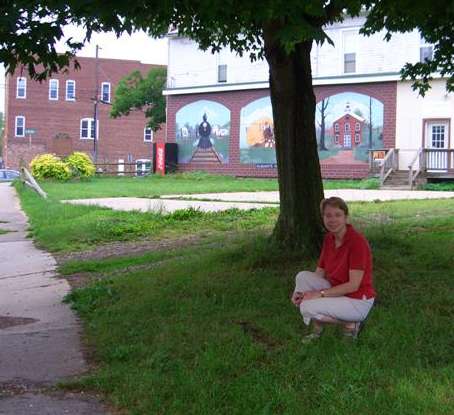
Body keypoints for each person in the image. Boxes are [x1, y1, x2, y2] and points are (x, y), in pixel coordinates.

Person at [291, 197, 376, 341]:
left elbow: (353, 285)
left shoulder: (357, 242)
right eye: (328, 215)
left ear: (346, 218)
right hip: (337, 290)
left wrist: (320, 294)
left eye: (338, 215)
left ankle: (352, 323)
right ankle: (317, 331)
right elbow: (319, 272)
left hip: (357, 300)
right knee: (302, 276)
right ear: (323, 218)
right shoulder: (329, 239)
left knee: (307, 307)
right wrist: (300, 292)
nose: (332, 220)